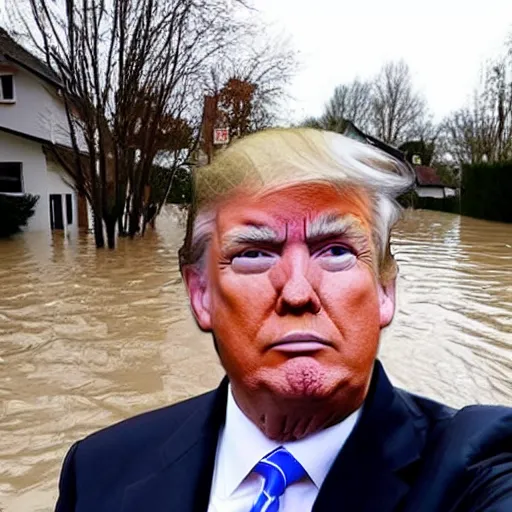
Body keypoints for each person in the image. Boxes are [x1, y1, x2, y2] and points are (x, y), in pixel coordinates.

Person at [55, 129, 512, 512]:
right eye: (254, 253)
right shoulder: (97, 474)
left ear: (384, 291)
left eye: (335, 251)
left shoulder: (477, 467)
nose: (297, 292)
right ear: (201, 294)